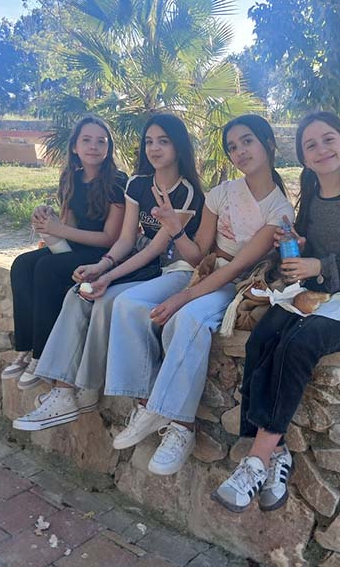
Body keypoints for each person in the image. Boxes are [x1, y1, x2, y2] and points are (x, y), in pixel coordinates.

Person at [212, 111, 340, 512]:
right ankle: (275, 451)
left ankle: (257, 459)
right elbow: (310, 256)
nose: (321, 149)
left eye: (328, 139)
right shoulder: (310, 195)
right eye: (310, 144)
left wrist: (319, 265)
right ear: (303, 157)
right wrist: (296, 244)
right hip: (318, 295)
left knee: (298, 343)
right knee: (263, 338)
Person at [104, 115, 295, 476]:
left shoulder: (280, 210)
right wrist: (176, 230)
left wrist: (184, 297)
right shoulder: (221, 194)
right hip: (206, 274)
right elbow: (198, 256)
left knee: (189, 317)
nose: (240, 151)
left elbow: (237, 268)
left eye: (247, 141)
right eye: (233, 147)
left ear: (268, 143)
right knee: (138, 307)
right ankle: (149, 406)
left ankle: (180, 426)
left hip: (239, 285)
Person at [11, 113, 204, 430]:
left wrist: (107, 276)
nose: (154, 148)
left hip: (167, 267)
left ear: (179, 146)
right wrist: (101, 268)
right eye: (149, 141)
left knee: (104, 300)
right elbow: (126, 239)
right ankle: (63, 391)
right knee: (80, 293)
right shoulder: (139, 184)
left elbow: (155, 250)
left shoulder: (187, 192)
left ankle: (83, 389)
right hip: (137, 258)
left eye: (163, 141)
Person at [2, 115, 127, 389]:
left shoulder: (117, 182)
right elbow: (68, 224)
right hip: (76, 248)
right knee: (22, 264)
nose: (94, 146)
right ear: (74, 146)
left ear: (108, 148)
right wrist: (47, 218)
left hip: (103, 255)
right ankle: (25, 348)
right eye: (87, 140)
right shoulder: (71, 177)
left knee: (46, 269)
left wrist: (60, 229)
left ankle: (42, 355)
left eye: (101, 141)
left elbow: (111, 238)